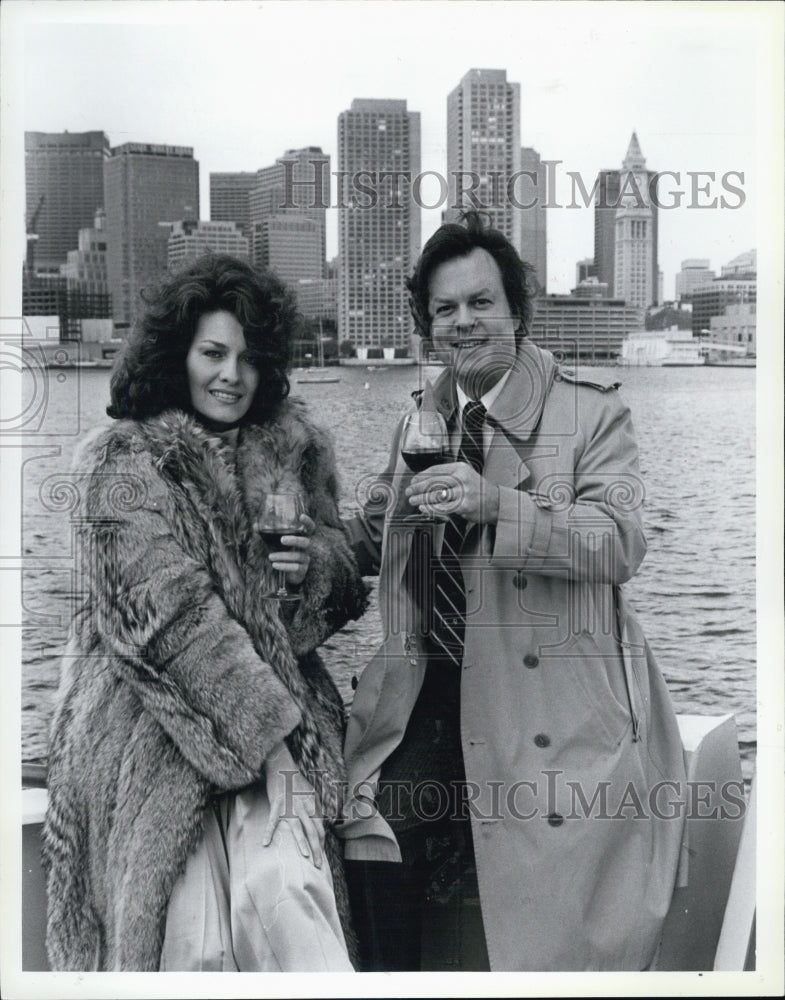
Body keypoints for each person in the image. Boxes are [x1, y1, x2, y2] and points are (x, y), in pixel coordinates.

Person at [339, 213, 688, 971]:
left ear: (516, 311)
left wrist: (495, 503)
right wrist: (316, 556)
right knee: (368, 829)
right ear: (427, 326)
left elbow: (616, 542)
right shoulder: (422, 419)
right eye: (443, 309)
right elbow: (375, 527)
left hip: (553, 713)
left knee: (549, 904)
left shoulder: (590, 411)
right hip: (434, 698)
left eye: (480, 302)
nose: (463, 322)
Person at [42, 254, 368, 971]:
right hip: (152, 735)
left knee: (291, 905)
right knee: (196, 943)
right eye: (213, 353)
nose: (231, 375)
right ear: (176, 355)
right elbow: (169, 625)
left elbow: (342, 582)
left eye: (249, 359)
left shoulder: (293, 450)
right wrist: (278, 753)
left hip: (274, 724)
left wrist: (315, 568)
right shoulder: (122, 464)